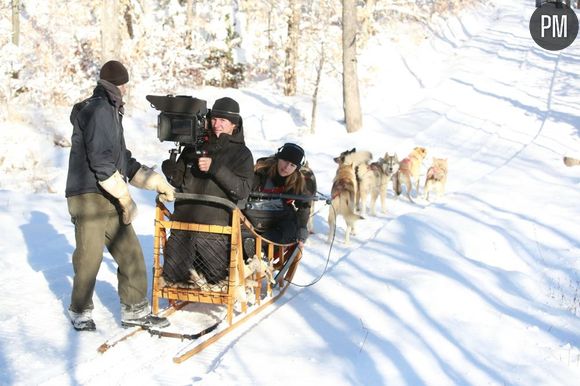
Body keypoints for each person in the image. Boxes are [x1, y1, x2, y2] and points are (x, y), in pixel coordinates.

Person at [66, 60, 175, 331]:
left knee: (131, 254)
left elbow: (121, 159)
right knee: (89, 257)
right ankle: (80, 310)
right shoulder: (100, 110)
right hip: (89, 195)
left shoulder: (112, 110)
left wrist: (154, 181)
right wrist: (126, 198)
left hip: (107, 193)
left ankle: (135, 310)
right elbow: (102, 163)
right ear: (121, 85)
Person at [161, 97, 254, 286]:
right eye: (214, 119)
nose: (216, 124)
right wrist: (171, 170)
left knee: (216, 278)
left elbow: (242, 190)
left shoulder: (242, 154)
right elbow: (179, 181)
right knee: (173, 276)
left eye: (223, 121)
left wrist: (216, 169)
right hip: (183, 223)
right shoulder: (193, 146)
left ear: (234, 125)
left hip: (216, 227)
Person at [243, 143, 314, 256]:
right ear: (278, 158)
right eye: (285, 161)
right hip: (254, 214)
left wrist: (302, 230)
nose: (286, 168)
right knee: (289, 213)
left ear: (297, 168)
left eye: (292, 165)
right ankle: (256, 247)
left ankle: (259, 247)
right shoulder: (260, 171)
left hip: (275, 223)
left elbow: (304, 206)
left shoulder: (298, 181)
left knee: (291, 226)